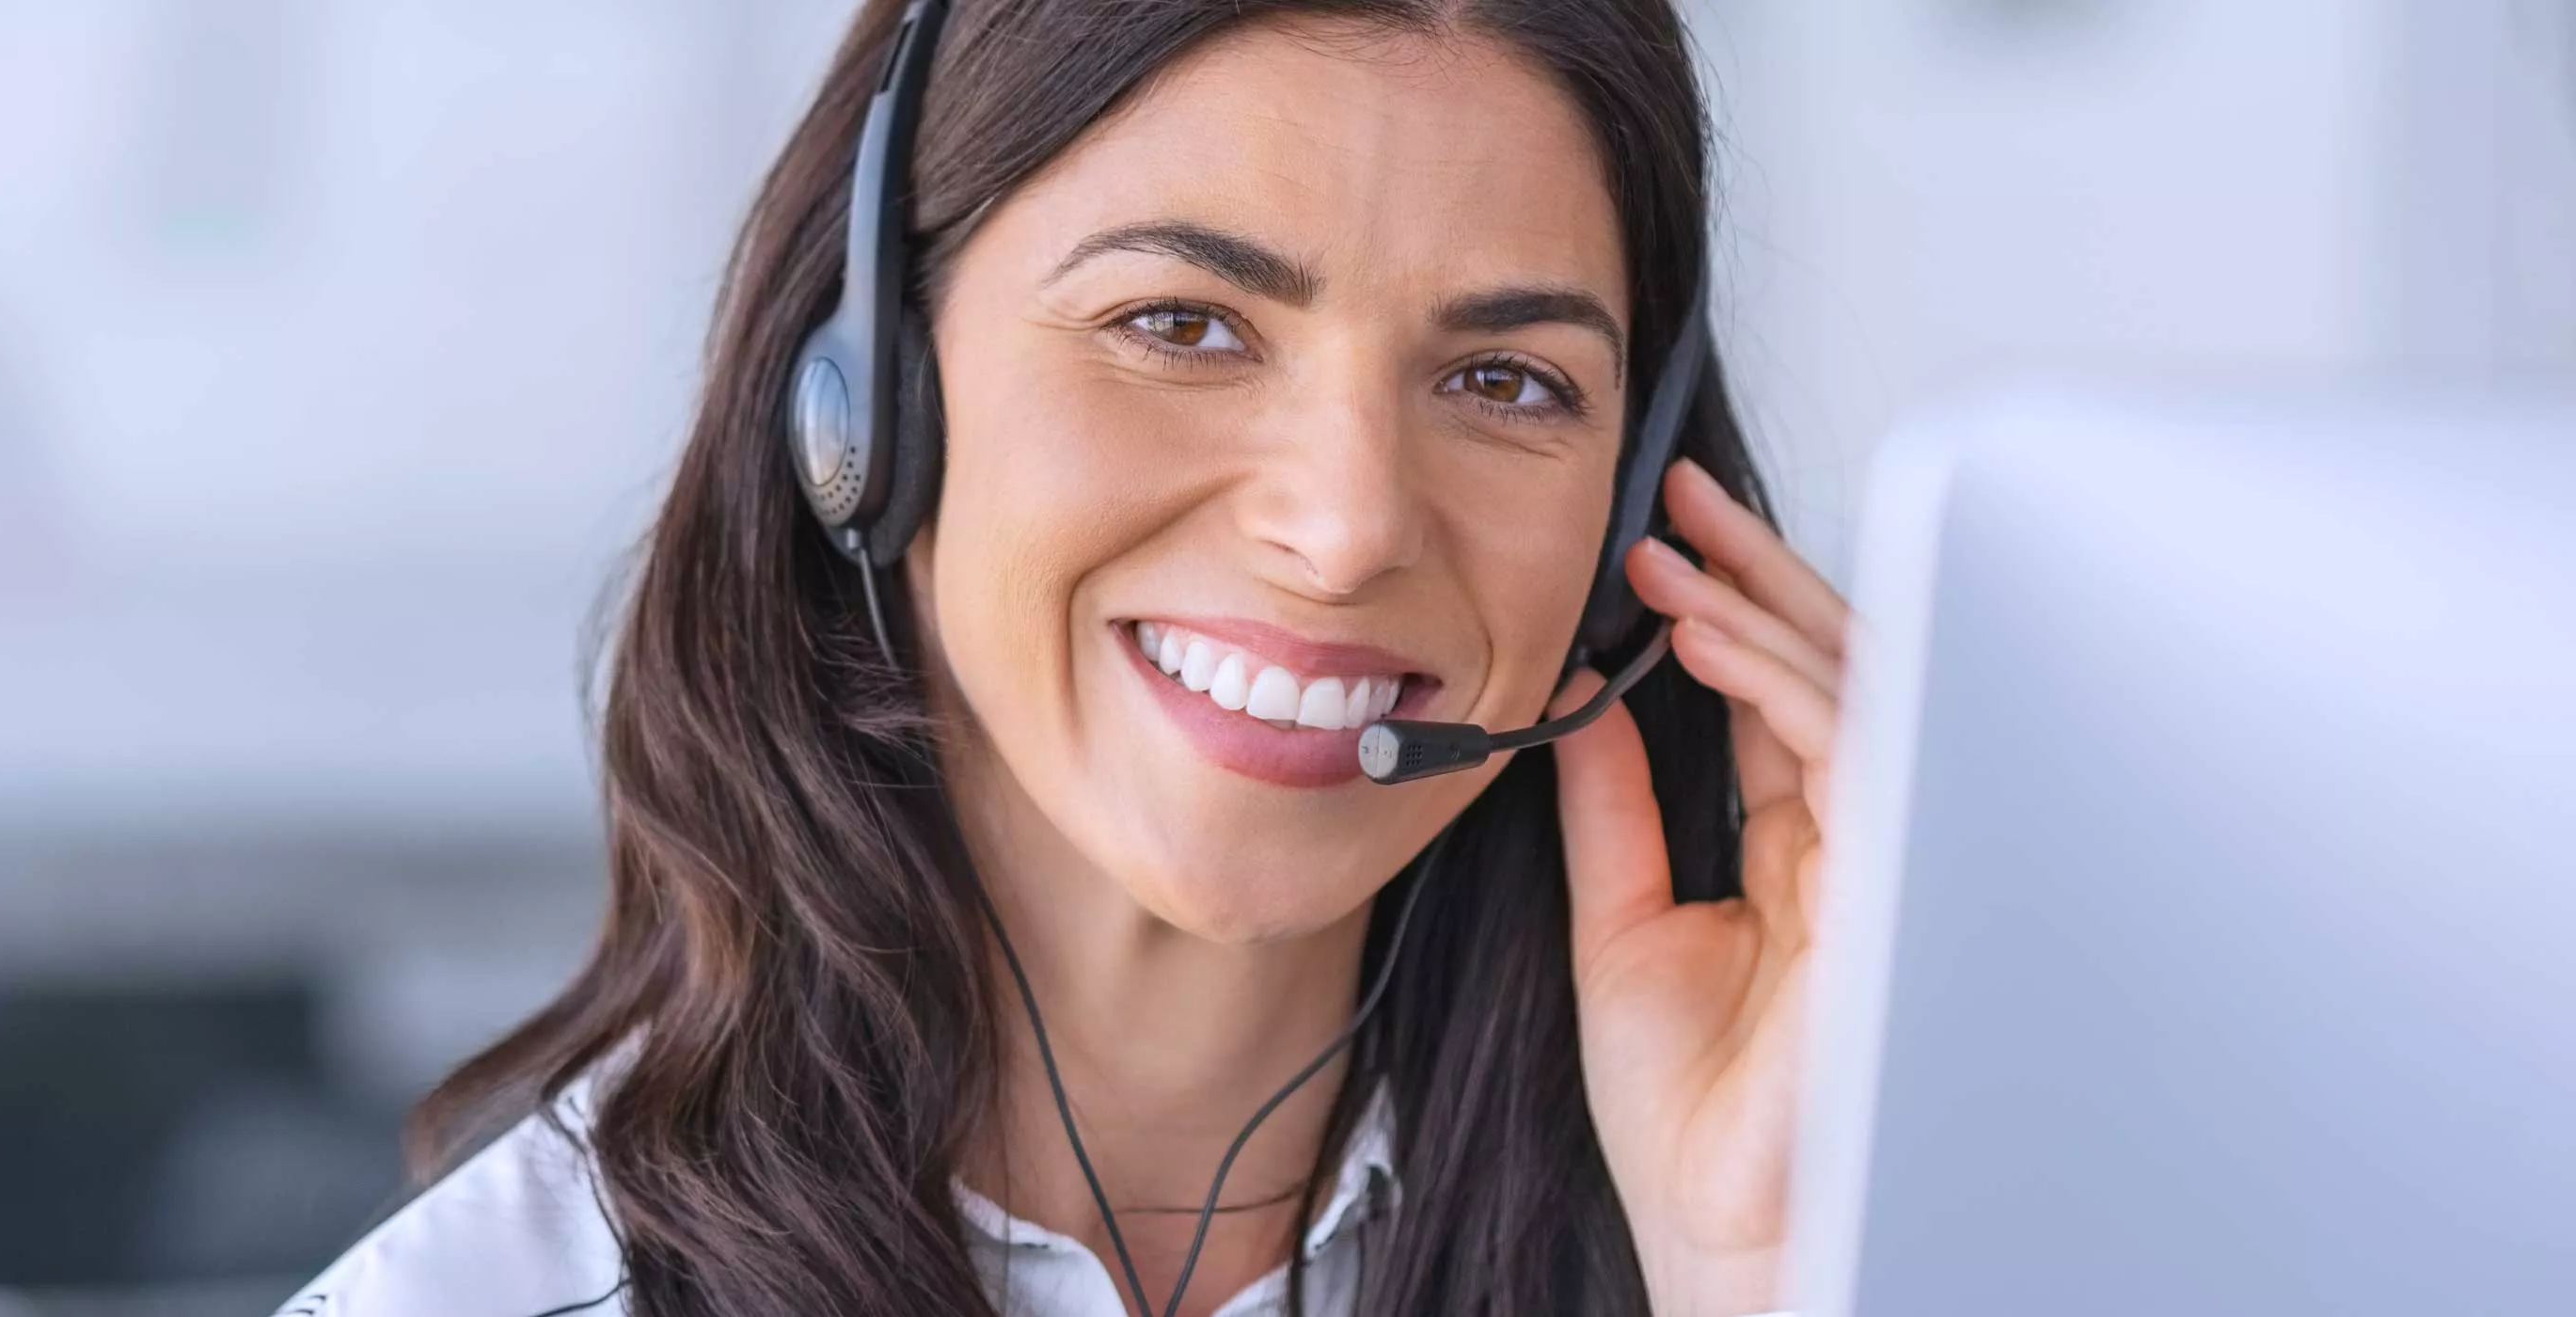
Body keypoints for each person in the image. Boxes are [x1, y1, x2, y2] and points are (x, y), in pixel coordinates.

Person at [285, 1, 1849, 1313]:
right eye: (1182, 325)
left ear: (1630, 514)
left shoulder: (1781, 1240)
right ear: (875, 397)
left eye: (1505, 380)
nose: (1349, 522)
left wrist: (1774, 1269)